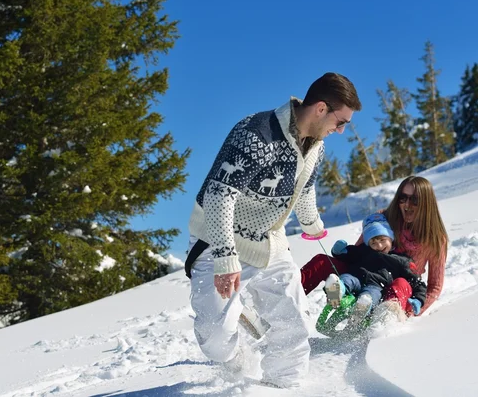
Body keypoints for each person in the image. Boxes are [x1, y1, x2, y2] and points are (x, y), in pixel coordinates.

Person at [184, 72, 362, 388]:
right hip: (219, 240)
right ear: (321, 108)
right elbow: (218, 195)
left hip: (269, 241)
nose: (341, 130)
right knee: (215, 337)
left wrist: (312, 224)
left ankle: (284, 388)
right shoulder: (256, 134)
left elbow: (305, 187)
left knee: (293, 322)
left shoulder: (316, 147)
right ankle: (235, 351)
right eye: (341, 121)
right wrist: (226, 259)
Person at [300, 176, 448, 318]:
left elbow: (434, 287)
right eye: (403, 198)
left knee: (400, 283)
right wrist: (343, 258)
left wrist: (415, 309)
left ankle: (384, 319)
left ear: (426, 203)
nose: (407, 204)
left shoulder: (436, 239)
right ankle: (290, 297)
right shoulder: (383, 218)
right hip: (364, 278)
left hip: (397, 292)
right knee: (321, 262)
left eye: (414, 200)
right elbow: (360, 251)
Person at [323, 213, 427, 330]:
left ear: (390, 238)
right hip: (356, 277)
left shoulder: (400, 260)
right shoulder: (363, 251)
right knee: (345, 279)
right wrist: (338, 250)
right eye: (373, 242)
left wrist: (418, 300)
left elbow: (417, 282)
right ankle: (336, 291)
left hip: (376, 285)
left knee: (370, 296)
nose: (379, 245)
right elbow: (346, 254)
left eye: (383, 240)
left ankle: (361, 310)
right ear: (368, 244)